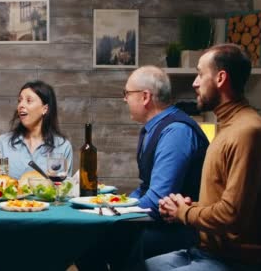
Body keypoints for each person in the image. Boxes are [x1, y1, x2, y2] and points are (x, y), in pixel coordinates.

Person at [146, 44, 261, 271]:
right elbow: (227, 202)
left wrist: (184, 213)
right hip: (207, 251)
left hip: (236, 260)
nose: (195, 83)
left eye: (200, 74)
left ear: (220, 78)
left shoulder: (247, 132)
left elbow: (232, 214)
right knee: (137, 264)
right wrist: (187, 207)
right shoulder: (228, 126)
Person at [75, 66, 209, 271]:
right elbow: (146, 187)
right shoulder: (155, 128)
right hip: (163, 225)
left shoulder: (176, 132)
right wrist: (116, 206)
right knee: (90, 239)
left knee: (94, 242)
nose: (125, 99)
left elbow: (157, 199)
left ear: (145, 96)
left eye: (127, 93)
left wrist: (115, 214)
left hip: (180, 230)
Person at [0, 80, 72, 180]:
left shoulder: (62, 146)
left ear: (45, 109)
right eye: (19, 100)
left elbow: (64, 188)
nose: (21, 105)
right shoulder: (3, 143)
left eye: (29, 100)